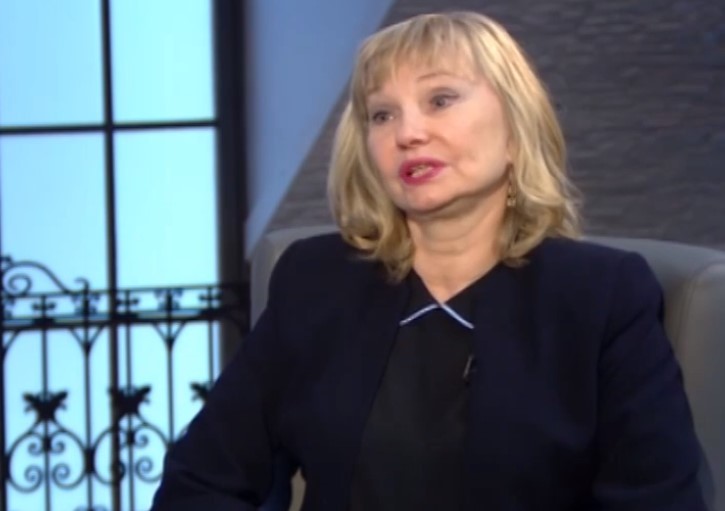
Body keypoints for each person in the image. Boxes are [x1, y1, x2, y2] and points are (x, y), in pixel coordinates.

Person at [151, 11, 706, 510]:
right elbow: (200, 483)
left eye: (440, 100)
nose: (408, 133)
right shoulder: (315, 282)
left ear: (515, 130)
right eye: (382, 115)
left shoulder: (602, 298)